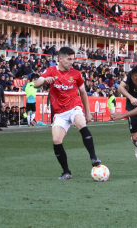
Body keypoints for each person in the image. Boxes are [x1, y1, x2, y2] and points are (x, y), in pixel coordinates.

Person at [34, 47, 102, 180]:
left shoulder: (76, 74)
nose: (72, 62)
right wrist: (44, 81)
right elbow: (36, 83)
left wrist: (87, 112)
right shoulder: (50, 71)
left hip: (74, 107)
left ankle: (93, 157)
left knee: (81, 124)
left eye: (73, 59)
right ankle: (66, 172)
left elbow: (82, 93)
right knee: (56, 140)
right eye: (69, 59)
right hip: (59, 113)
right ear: (60, 58)